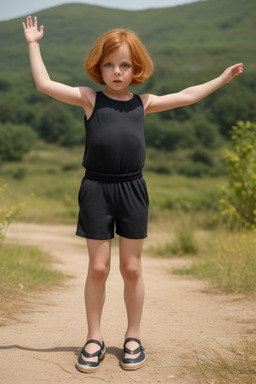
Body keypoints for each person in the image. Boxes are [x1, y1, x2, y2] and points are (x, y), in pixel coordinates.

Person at [22, 15, 243, 373]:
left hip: (132, 189)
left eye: (124, 65)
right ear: (99, 67)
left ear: (135, 68)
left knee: (132, 267)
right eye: (109, 64)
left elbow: (186, 96)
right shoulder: (90, 99)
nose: (117, 71)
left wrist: (221, 78)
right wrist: (33, 44)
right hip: (95, 188)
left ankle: (133, 337)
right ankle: (93, 338)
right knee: (98, 267)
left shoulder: (143, 103)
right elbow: (45, 84)